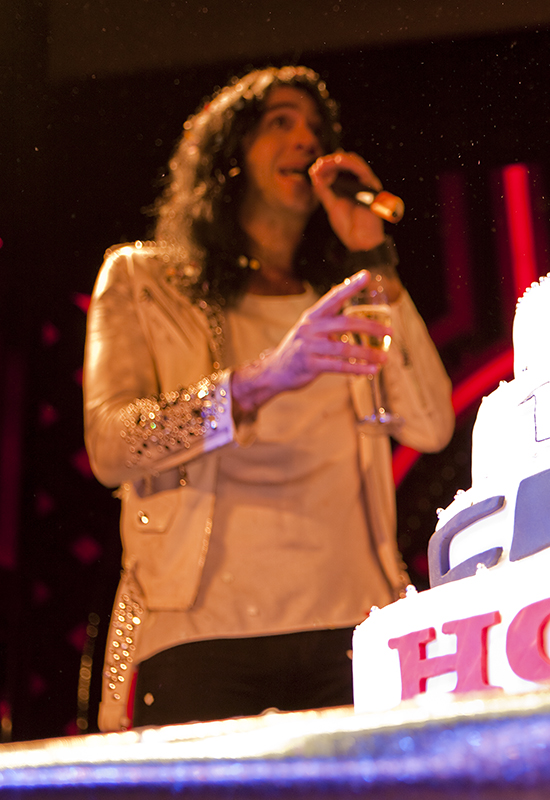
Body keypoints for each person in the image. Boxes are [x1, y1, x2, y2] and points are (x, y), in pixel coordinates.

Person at [83, 66, 455, 729]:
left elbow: (431, 424)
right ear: (228, 155)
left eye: (316, 131)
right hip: (199, 633)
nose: (305, 140)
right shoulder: (142, 279)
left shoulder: (345, 299)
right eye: (280, 123)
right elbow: (113, 447)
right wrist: (261, 381)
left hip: (354, 625)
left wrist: (374, 257)